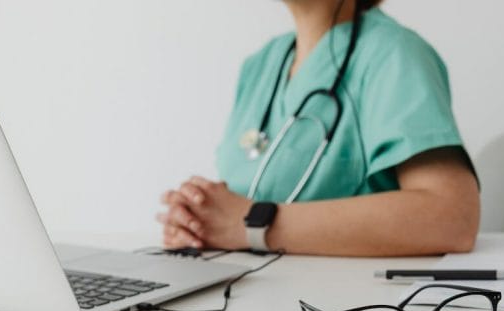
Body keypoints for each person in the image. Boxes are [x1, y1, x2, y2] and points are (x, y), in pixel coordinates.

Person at [158, 0, 480, 257]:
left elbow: (452, 218)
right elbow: (241, 201)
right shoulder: (261, 64)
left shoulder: (394, 55)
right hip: (249, 300)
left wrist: (252, 224)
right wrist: (198, 223)